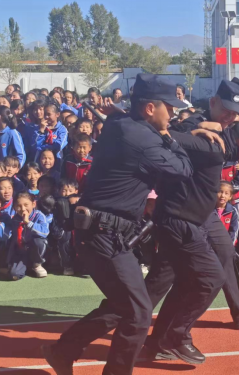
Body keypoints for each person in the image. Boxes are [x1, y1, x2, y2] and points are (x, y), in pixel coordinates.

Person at [42, 74, 194, 375]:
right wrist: (168, 136)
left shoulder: (119, 123)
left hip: (103, 233)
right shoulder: (144, 139)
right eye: (169, 107)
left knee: (124, 306)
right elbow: (184, 169)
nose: (173, 114)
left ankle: (63, 351)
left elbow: (123, 119)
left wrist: (125, 114)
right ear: (149, 108)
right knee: (139, 314)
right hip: (105, 235)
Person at [143, 90, 239, 364]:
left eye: (235, 114)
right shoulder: (201, 131)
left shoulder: (224, 140)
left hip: (198, 212)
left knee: (214, 260)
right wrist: (195, 129)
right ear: (212, 103)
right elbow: (165, 137)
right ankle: (133, 324)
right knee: (168, 279)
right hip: (179, 214)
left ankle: (164, 338)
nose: (229, 118)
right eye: (226, 111)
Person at [7, 192, 50, 280]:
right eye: (18, 206)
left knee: (40, 241)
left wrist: (28, 223)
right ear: (14, 207)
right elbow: (13, 241)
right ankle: (28, 268)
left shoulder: (39, 215)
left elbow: (45, 232)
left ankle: (37, 264)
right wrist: (9, 260)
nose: (23, 209)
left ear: (33, 204)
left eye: (26, 205)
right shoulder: (15, 219)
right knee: (14, 275)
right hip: (22, 252)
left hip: (35, 250)